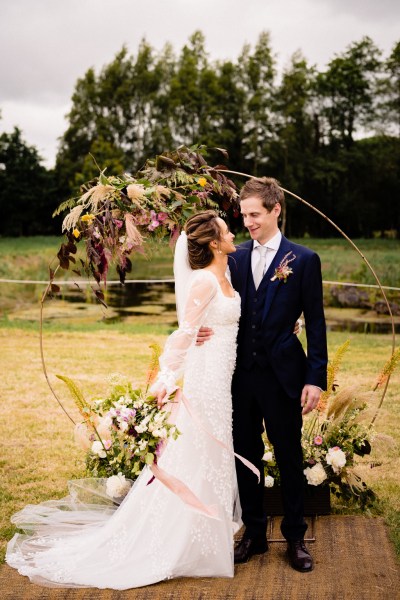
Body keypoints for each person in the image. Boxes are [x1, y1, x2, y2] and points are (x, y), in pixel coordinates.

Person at [6, 210, 247, 589]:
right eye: (226, 230)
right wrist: (166, 379)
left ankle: (206, 542)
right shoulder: (203, 281)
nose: (234, 232)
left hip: (222, 382)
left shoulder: (227, 274)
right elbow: (185, 334)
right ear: (214, 243)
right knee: (195, 453)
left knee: (212, 457)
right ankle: (177, 543)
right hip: (203, 382)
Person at [198, 177, 328, 572]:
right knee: (245, 455)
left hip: (284, 375)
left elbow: (317, 323)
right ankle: (253, 533)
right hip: (239, 374)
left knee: (289, 455)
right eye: (244, 214)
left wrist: (315, 377)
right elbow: (208, 294)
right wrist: (200, 328)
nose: (248, 222)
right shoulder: (233, 258)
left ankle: (294, 537)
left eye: (255, 214)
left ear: (276, 210)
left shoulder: (303, 260)